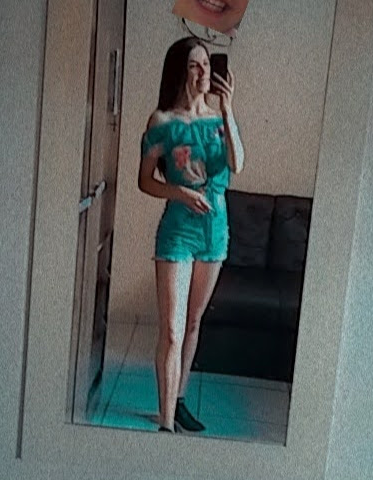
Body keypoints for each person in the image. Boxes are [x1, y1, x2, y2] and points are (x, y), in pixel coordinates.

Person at [138, 37, 244, 433]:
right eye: (194, 65)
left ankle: (178, 399)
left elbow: (237, 164)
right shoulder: (162, 121)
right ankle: (166, 424)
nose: (203, 72)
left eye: (207, 65)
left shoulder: (219, 120)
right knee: (171, 328)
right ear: (180, 71)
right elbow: (144, 180)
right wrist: (180, 192)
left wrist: (228, 109)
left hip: (215, 230)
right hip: (178, 231)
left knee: (194, 321)